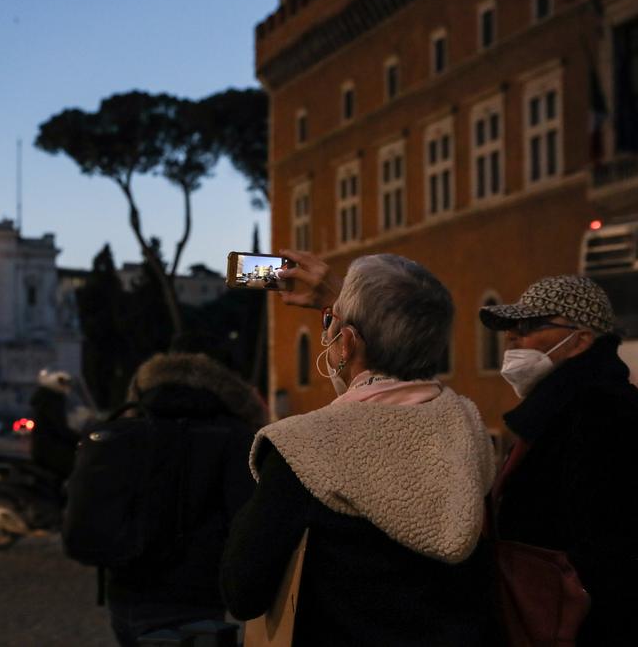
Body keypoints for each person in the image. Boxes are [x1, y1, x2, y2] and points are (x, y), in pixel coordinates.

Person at [221, 251, 497, 645]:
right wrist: (342, 305)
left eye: (334, 328)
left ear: (346, 342)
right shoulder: (467, 426)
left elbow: (243, 591)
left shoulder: (304, 447)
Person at [480, 275, 638, 645]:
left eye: (531, 325)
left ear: (581, 340)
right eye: (510, 327)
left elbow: (607, 543)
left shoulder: (603, 411)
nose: (512, 337)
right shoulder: (559, 407)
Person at [105, 351, 265, 647]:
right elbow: (248, 523)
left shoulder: (128, 430)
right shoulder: (233, 436)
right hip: (193, 601)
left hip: (122, 596)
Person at [28, 369, 80, 479]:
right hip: (49, 448)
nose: (66, 387)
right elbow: (59, 427)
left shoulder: (45, 398)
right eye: (63, 382)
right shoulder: (51, 400)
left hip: (45, 447)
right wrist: (78, 438)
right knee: (75, 466)